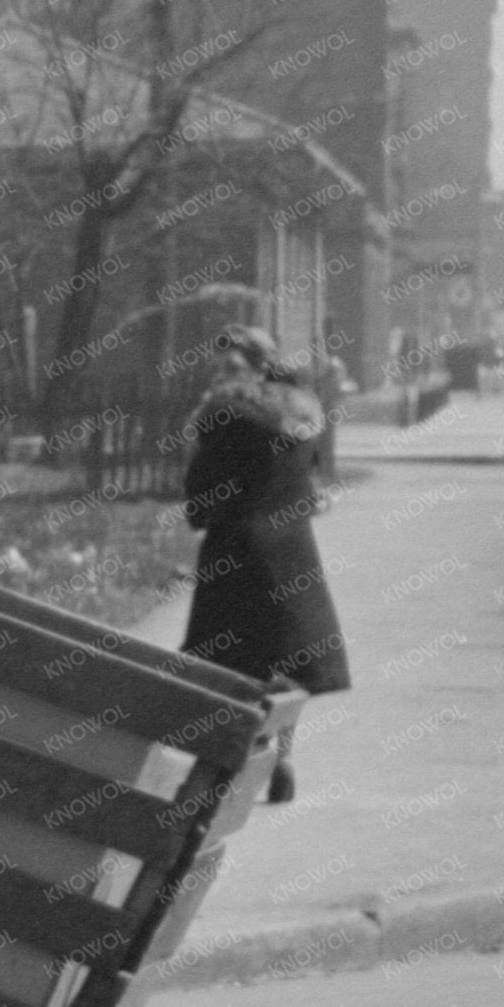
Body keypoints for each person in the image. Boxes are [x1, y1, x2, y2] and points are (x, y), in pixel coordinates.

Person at [178, 324, 352, 806]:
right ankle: (283, 759)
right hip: (293, 548)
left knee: (236, 660)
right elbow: (316, 477)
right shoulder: (304, 412)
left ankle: (245, 757)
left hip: (236, 548)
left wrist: (200, 506)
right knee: (287, 657)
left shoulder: (224, 416)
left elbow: (202, 492)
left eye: (228, 365)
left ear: (248, 368)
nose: (221, 374)